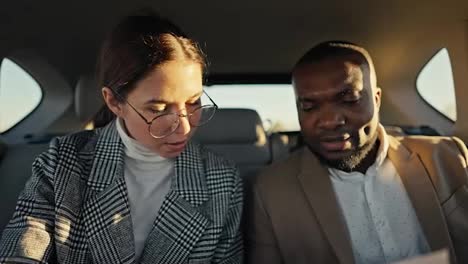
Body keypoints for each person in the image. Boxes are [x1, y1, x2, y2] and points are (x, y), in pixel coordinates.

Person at [0, 12, 243, 264]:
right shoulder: (61, 163)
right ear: (115, 102)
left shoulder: (222, 180)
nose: (183, 129)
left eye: (194, 102)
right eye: (158, 110)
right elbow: (24, 247)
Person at [245, 41, 468, 264]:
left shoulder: (446, 156)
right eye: (309, 106)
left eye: (349, 99)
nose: (331, 121)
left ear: (377, 100)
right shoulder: (270, 191)